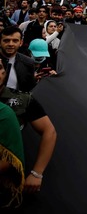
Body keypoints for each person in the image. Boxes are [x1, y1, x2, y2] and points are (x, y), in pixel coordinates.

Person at [0, 60, 57, 194]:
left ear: (4, 72)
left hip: (7, 183)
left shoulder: (22, 99)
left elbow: (49, 131)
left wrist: (37, 173)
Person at [0, 26, 36, 93]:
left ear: (21, 43)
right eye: (6, 40)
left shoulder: (28, 63)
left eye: (15, 41)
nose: (10, 44)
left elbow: (30, 88)